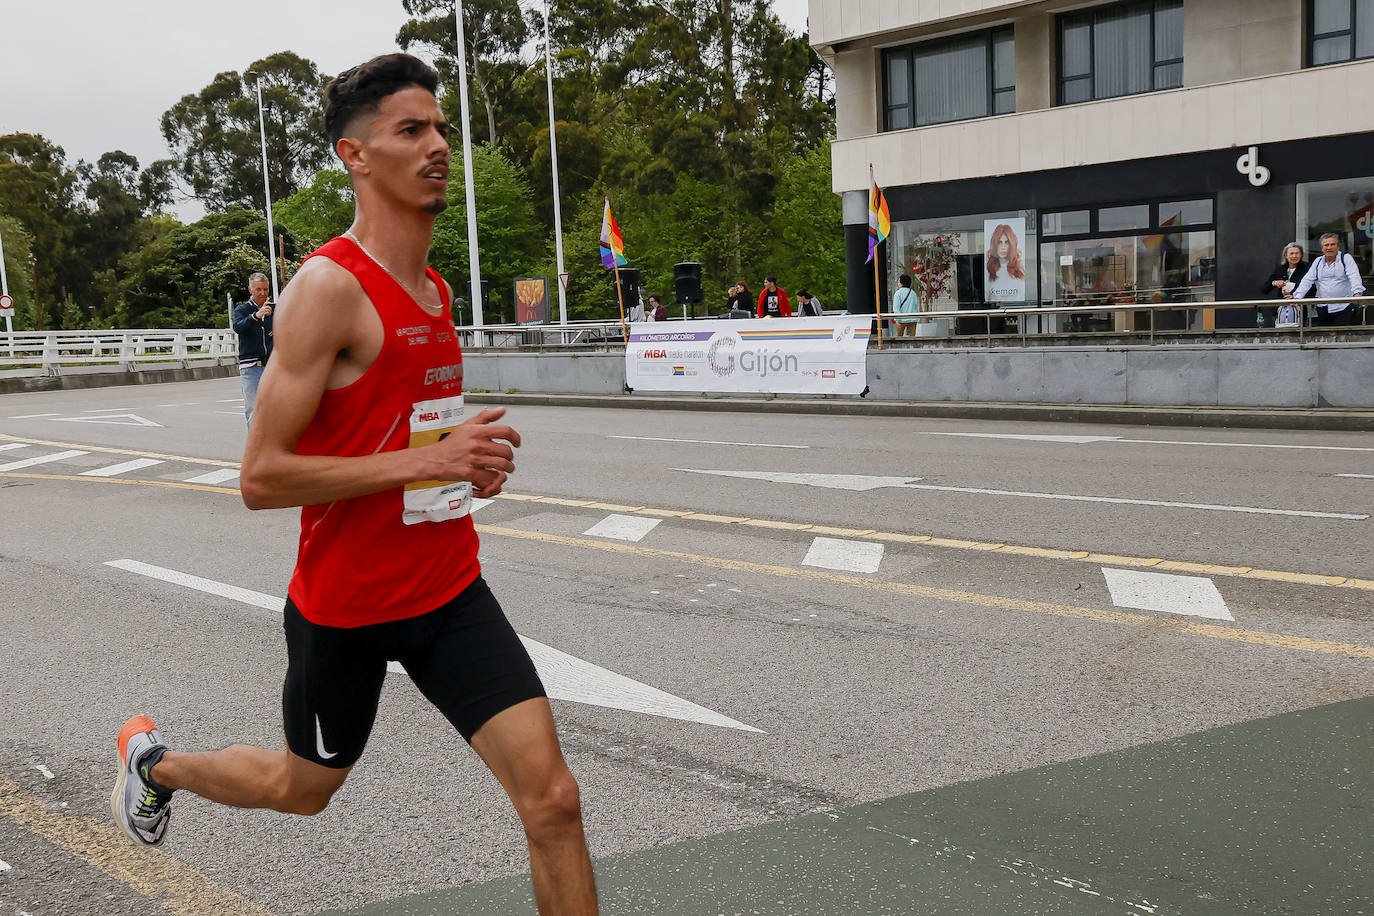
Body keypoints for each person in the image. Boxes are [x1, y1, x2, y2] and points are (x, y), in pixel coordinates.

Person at [110, 54, 598, 915]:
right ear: (355, 155)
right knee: (305, 788)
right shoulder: (327, 289)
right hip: (346, 609)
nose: (438, 145)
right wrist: (429, 462)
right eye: (411, 131)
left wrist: (462, 467)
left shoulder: (437, 289)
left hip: (448, 590)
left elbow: (408, 439)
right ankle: (158, 766)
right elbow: (260, 478)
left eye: (440, 127)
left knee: (554, 801)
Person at [1288, 232, 1366, 326]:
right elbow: (1307, 281)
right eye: (1326, 245)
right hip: (1323, 307)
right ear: (1322, 248)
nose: (1329, 247)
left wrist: (1357, 293)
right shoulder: (1318, 262)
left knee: (1342, 337)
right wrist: (1297, 297)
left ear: (1338, 246)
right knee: (1325, 336)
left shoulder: (1345, 258)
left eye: (1333, 244)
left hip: (1343, 306)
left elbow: (1354, 276)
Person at [230, 272, 275, 426]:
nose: (263, 293)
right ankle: (255, 448)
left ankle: (271, 445)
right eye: (258, 289)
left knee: (275, 409)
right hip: (250, 368)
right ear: (250, 289)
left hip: (271, 367)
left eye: (266, 289)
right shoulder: (242, 310)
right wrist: (256, 316)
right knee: (253, 410)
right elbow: (237, 327)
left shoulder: (273, 309)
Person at [1260, 242, 1309, 328]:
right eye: (1291, 253)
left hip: (1299, 310)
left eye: (1297, 253)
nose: (1294, 256)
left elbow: (1312, 289)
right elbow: (1265, 289)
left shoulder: (1307, 268)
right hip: (1280, 310)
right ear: (1286, 255)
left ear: (1301, 255)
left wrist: (1295, 296)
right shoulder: (1280, 269)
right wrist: (1274, 283)